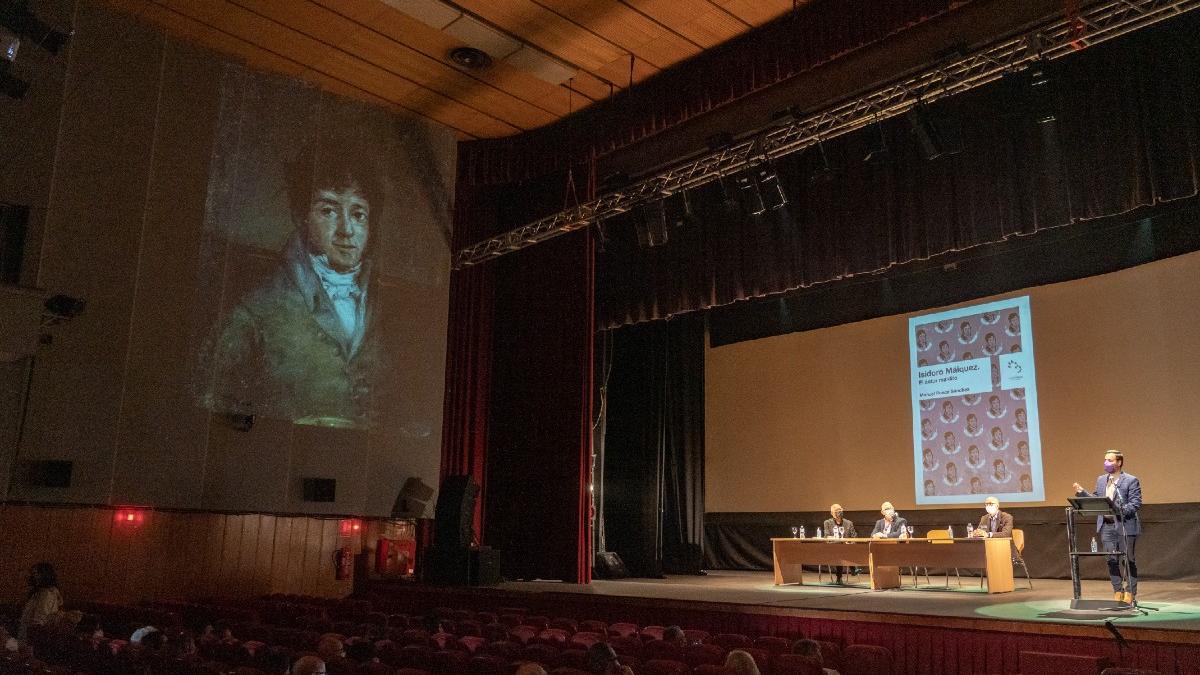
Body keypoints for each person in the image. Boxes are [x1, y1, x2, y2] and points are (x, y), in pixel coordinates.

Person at [198, 134, 396, 429]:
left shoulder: (386, 311)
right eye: (328, 210)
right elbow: (212, 406)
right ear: (301, 216)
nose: (346, 230)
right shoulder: (254, 315)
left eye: (358, 213)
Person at [1073, 449, 1142, 604]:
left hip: (1125, 525)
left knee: (1128, 560)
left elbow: (1135, 503)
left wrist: (1119, 510)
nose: (1106, 463)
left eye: (1110, 460)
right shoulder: (1101, 480)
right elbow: (1097, 500)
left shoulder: (1130, 480)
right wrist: (1082, 493)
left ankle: (1130, 592)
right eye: (1105, 460)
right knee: (1111, 559)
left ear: (1119, 462)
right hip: (1106, 526)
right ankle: (1118, 590)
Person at [18, 562, 62, 641]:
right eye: (33, 573)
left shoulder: (46, 595)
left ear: (45, 575)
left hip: (31, 640)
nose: (32, 576)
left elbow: (39, 620)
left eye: (36, 573)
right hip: (28, 638)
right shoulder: (39, 593)